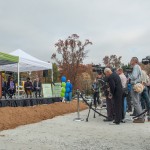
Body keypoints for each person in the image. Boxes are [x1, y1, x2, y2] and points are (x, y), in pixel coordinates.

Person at [129, 57, 145, 123]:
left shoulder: (135, 66)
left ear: (134, 61)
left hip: (135, 86)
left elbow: (134, 76)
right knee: (138, 102)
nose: (130, 61)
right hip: (138, 85)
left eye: (131, 60)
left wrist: (130, 76)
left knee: (135, 102)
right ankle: (141, 116)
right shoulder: (138, 67)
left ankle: (141, 118)